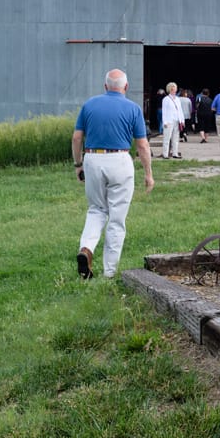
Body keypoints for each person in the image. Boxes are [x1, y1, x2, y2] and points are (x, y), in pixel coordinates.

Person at [71, 68, 154, 279]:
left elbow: (77, 138)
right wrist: (148, 174)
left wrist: (78, 164)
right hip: (119, 159)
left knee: (96, 209)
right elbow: (142, 145)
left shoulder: (89, 105)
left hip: (93, 158)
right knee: (116, 217)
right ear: (126, 87)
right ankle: (109, 272)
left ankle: (86, 249)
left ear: (105, 86)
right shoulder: (133, 109)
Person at [160, 81, 184, 159]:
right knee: (167, 138)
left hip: (177, 120)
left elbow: (180, 110)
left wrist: (182, 120)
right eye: (173, 89)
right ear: (170, 90)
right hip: (169, 121)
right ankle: (165, 154)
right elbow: (164, 111)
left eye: (175, 88)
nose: (175, 90)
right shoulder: (166, 99)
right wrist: (165, 122)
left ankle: (175, 153)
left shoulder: (177, 99)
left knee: (175, 138)